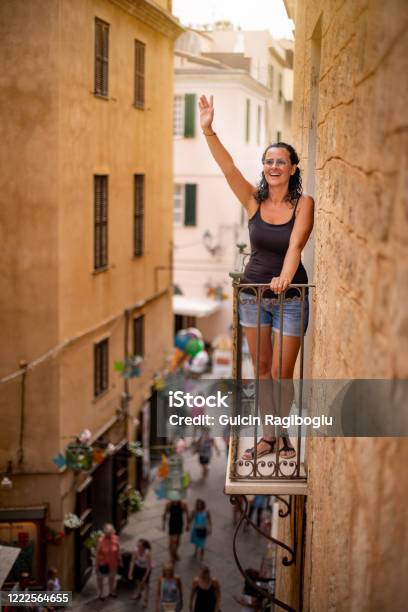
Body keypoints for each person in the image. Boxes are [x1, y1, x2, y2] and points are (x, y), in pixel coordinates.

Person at [199, 94, 314, 461]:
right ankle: (269, 437)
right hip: (252, 296)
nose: (274, 166)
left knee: (282, 372)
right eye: (268, 161)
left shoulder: (304, 204)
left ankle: (280, 435)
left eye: (281, 161)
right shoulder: (253, 202)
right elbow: (229, 168)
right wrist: (208, 130)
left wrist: (284, 278)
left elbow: (296, 245)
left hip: (290, 297)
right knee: (262, 370)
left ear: (293, 168)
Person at [95, 523, 121, 599]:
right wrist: (96, 566)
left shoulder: (116, 538)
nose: (108, 535)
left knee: (112, 577)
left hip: (113, 563)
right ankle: (101, 593)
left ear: (113, 531)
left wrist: (120, 559)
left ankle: (111, 591)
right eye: (107, 533)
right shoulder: (100, 540)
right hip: (103, 564)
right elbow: (97, 554)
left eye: (110, 533)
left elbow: (118, 549)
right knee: (100, 578)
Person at [162, 498, 189, 563]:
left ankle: (175, 553)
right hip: (172, 524)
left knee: (177, 542)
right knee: (172, 542)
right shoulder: (169, 504)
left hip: (179, 524)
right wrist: (163, 524)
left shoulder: (183, 504)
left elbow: (187, 513)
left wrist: (188, 524)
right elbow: (164, 514)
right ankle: (172, 557)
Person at [128, 539, 152, 606]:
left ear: (144, 547)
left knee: (146, 585)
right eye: (137, 546)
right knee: (138, 581)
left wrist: (145, 577)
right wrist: (130, 572)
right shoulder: (135, 550)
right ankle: (138, 594)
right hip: (138, 567)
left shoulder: (147, 553)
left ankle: (145, 600)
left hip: (145, 569)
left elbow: (149, 567)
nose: (138, 548)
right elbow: (132, 561)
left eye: (140, 546)